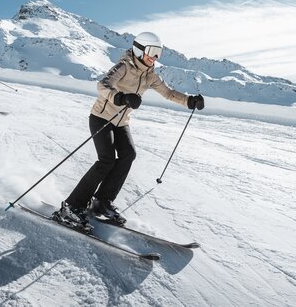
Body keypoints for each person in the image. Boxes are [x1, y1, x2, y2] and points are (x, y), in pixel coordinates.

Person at [53, 31, 204, 230]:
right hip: (101, 117)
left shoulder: (150, 75)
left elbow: (168, 93)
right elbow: (103, 85)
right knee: (105, 160)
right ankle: (71, 207)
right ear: (139, 49)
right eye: (152, 51)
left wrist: (189, 101)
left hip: (121, 121)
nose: (155, 57)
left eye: (158, 53)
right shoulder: (125, 66)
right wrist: (121, 97)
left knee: (128, 154)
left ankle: (102, 202)